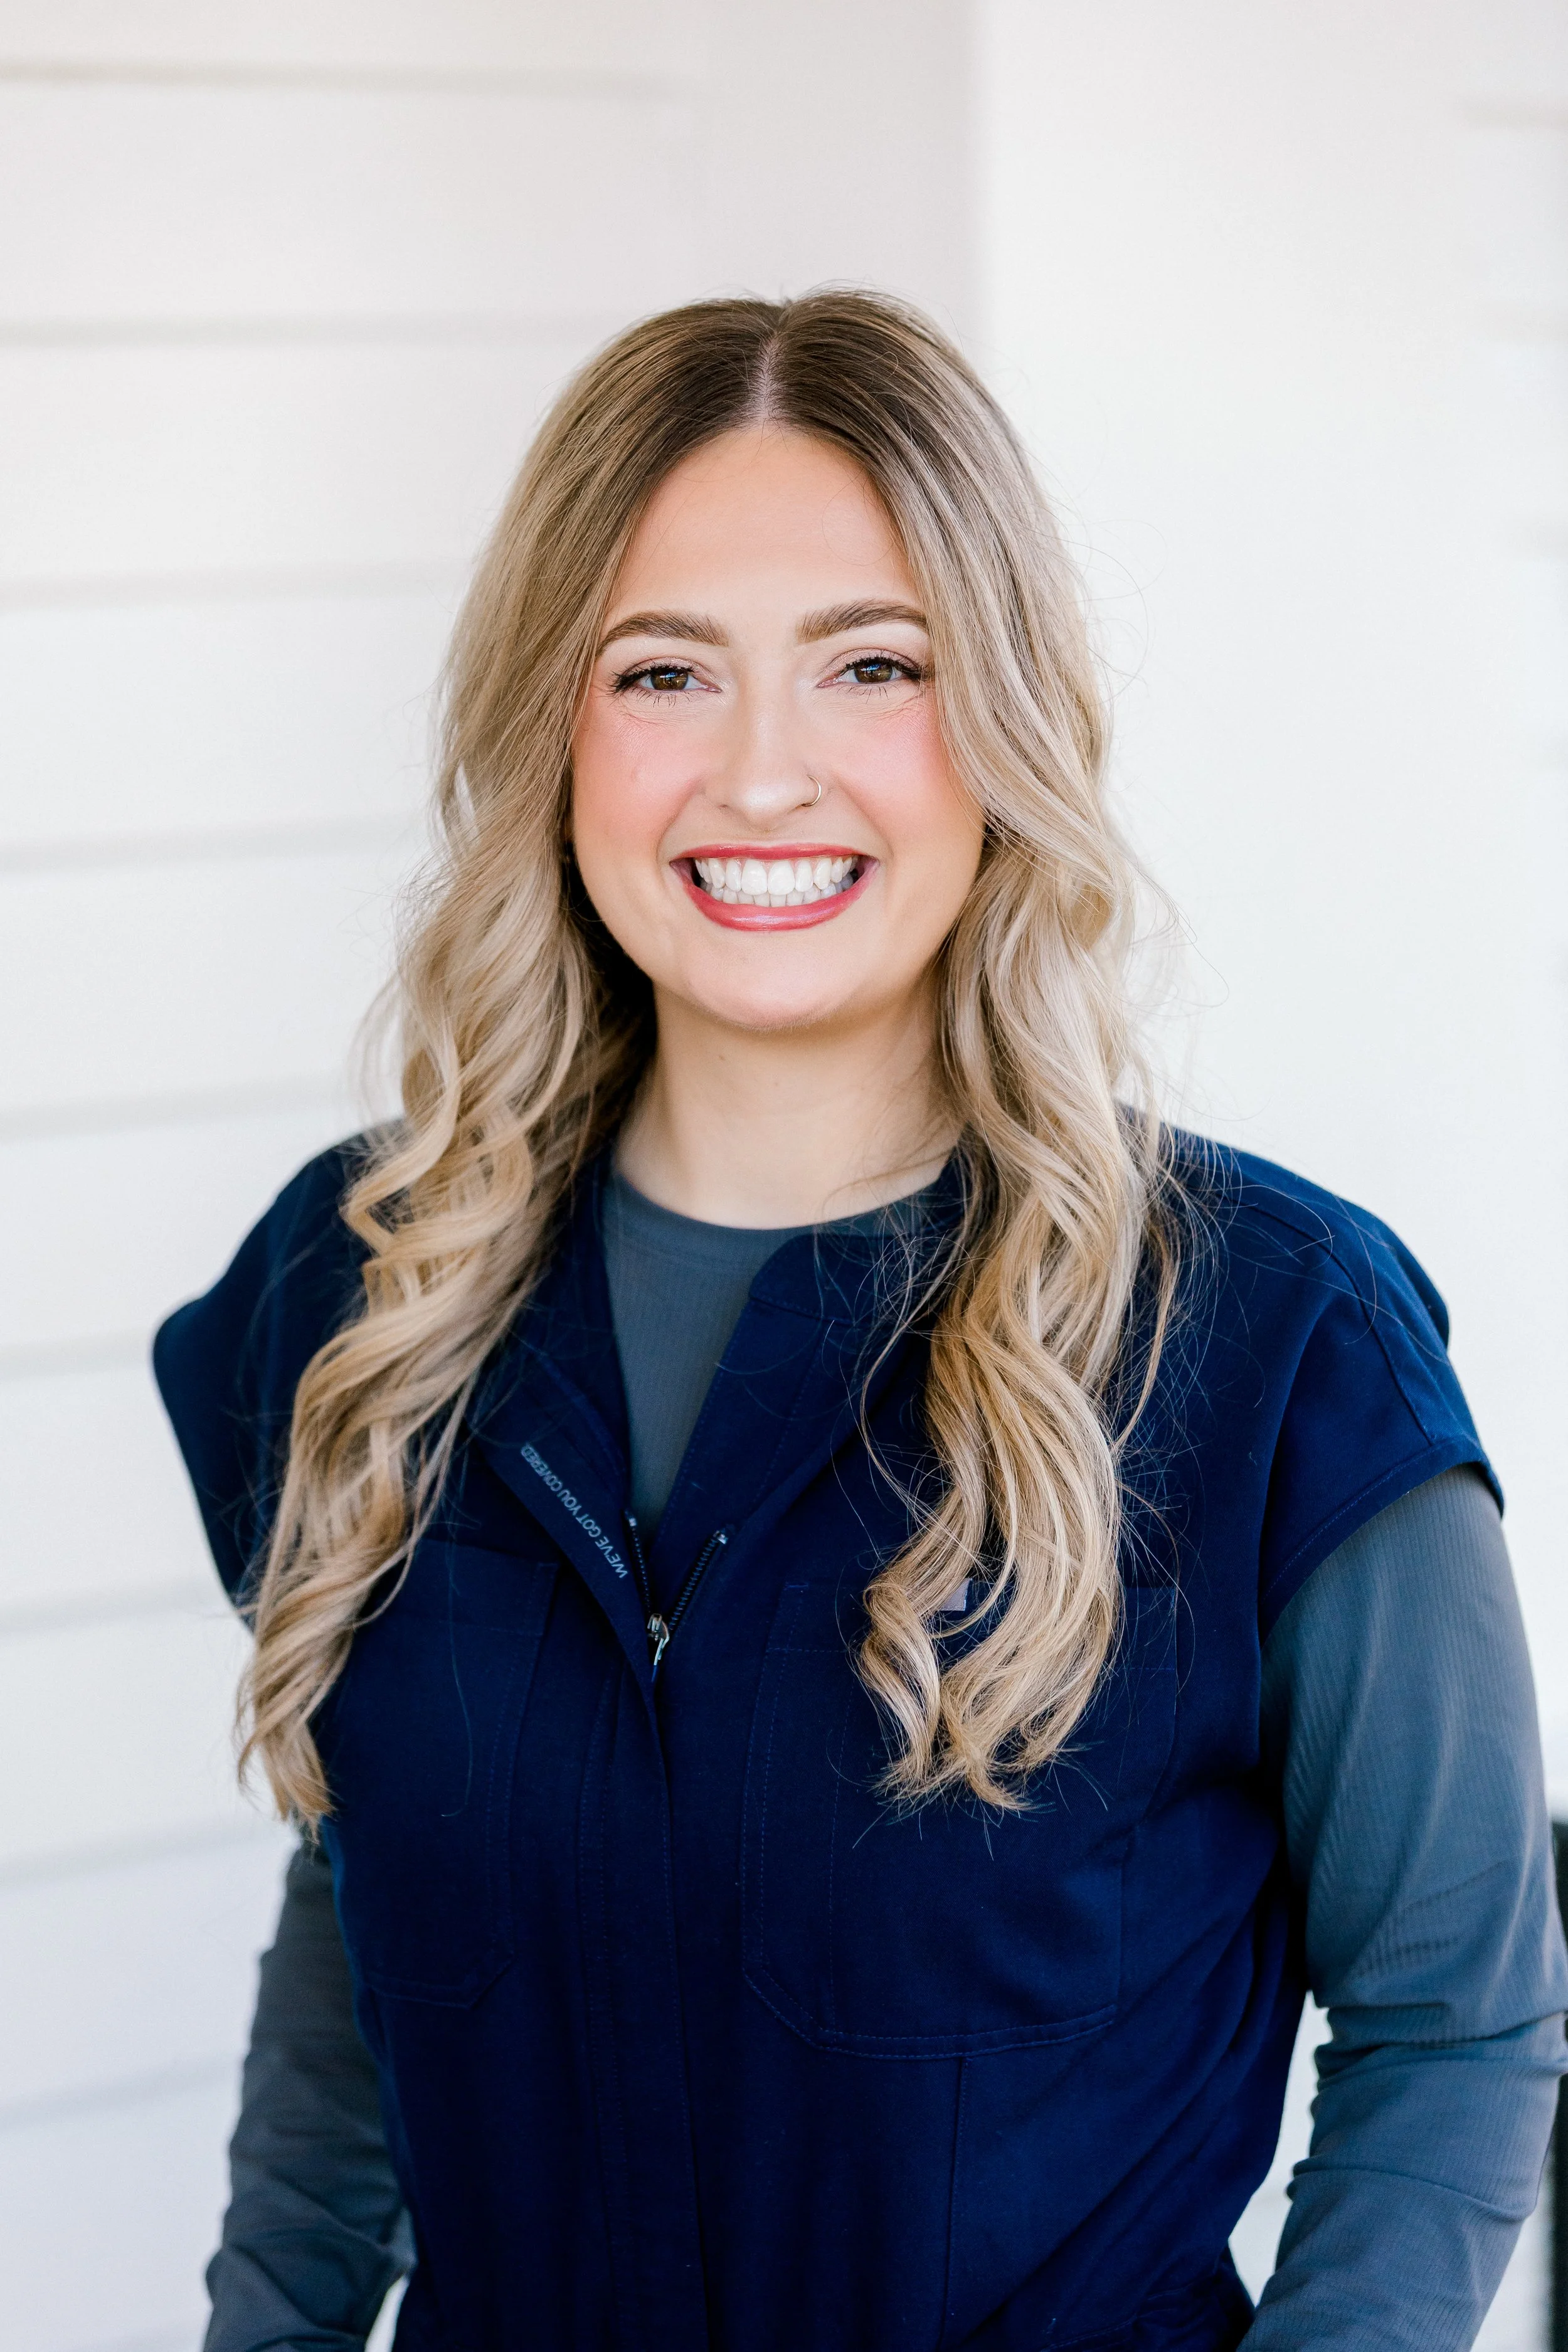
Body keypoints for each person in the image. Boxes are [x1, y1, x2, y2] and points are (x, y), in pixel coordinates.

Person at [154, 292, 1567, 2352]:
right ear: (554, 731)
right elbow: (366, 1933)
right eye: (663, 671)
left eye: (873, 666)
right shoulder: (361, 1294)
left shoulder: (1276, 1345)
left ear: (1002, 721)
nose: (761, 773)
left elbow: (1455, 2020)